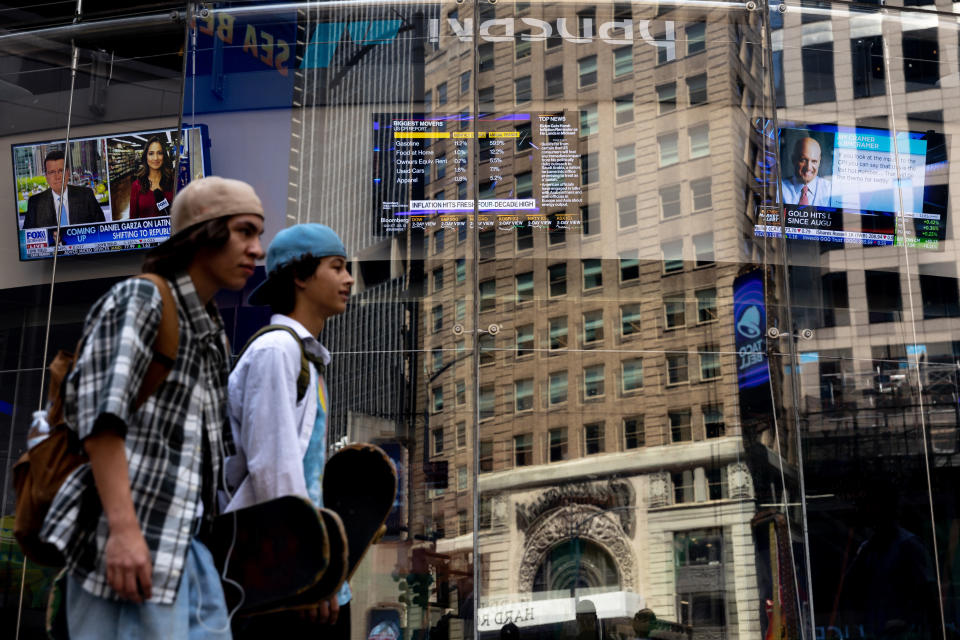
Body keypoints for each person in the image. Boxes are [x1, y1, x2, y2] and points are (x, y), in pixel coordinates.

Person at [39, 176, 266, 639]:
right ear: (205, 233)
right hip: (125, 547)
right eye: (245, 231)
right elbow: (102, 422)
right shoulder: (141, 299)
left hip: (189, 551)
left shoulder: (211, 332)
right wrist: (123, 533)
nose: (257, 249)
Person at [223, 223, 355, 639]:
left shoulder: (304, 358)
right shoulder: (275, 352)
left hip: (315, 586)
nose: (349, 278)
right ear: (300, 276)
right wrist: (307, 575)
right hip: (286, 588)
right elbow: (272, 470)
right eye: (337, 267)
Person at [23, 149, 105, 229]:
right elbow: (26, 238)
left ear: (68, 172)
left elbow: (102, 229)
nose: (57, 177)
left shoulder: (86, 195)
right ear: (46, 176)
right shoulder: (35, 203)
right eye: (52, 172)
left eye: (61, 171)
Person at [129, 135, 176, 219]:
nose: (155, 158)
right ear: (146, 157)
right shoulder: (136, 185)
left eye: (159, 153)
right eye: (151, 153)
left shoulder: (173, 182)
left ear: (164, 156)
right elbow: (133, 218)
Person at [781, 136, 832, 207]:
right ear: (793, 159)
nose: (808, 167)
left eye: (814, 161)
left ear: (819, 162)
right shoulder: (778, 189)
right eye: (803, 160)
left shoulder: (830, 190)